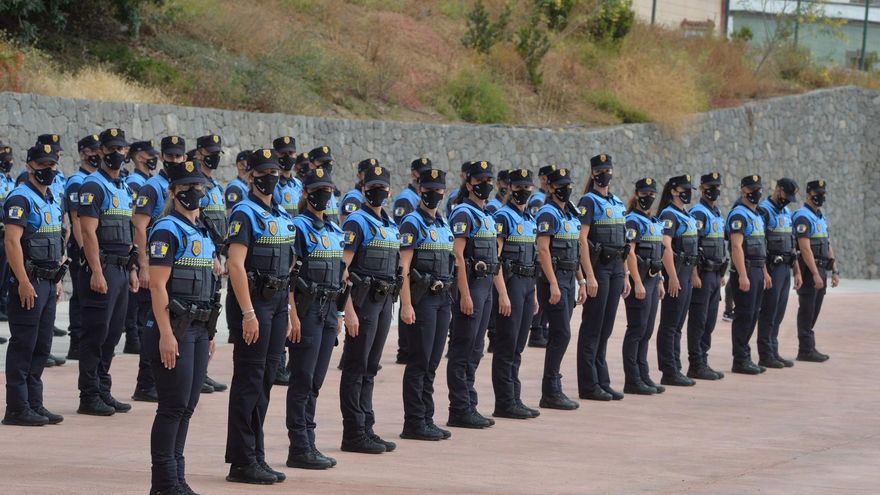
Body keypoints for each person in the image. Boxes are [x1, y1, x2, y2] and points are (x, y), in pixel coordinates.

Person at [145, 160, 218, 495]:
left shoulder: (203, 230)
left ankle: (177, 479)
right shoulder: (165, 230)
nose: (194, 193)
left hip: (199, 329)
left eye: (198, 187)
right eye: (186, 188)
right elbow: (158, 287)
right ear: (172, 192)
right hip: (174, 329)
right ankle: (163, 482)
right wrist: (166, 334)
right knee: (173, 406)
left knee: (187, 406)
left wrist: (211, 334)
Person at [224, 149, 294, 484]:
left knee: (266, 381)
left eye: (276, 172)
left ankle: (257, 455)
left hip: (278, 303)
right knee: (249, 382)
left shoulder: (280, 214)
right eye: (265, 172)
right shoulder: (244, 212)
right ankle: (241, 460)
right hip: (256, 305)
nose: (272, 178)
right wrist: (248, 313)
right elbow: (235, 265)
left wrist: (290, 310)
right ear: (251, 176)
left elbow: (290, 267)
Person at [76, 127, 139, 416]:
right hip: (102, 270)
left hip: (121, 269)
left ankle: (103, 388)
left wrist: (134, 269)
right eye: (111, 149)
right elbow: (88, 233)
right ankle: (89, 395)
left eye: (121, 149)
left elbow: (129, 233)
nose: (117, 154)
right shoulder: (92, 185)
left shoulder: (123, 187)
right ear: (100, 152)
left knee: (113, 333)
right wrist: (96, 271)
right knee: (95, 334)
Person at [2, 143, 65, 426]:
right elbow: (12, 242)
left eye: (51, 165)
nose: (47, 170)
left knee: (41, 345)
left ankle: (34, 403)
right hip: (29, 283)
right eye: (42, 166)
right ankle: (16, 407)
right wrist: (24, 282)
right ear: (29, 167)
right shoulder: (20, 198)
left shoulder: (50, 197)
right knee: (23, 345)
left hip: (48, 283)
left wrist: (57, 281)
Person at [287, 167, 345, 470]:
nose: (325, 194)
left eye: (328, 189)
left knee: (316, 382)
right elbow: (289, 276)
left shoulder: (334, 230)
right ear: (306, 193)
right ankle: (299, 446)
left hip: (327, 313)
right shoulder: (298, 227)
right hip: (306, 312)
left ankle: (309, 441)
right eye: (318, 189)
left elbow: (341, 278)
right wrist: (292, 315)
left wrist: (339, 314)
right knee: (302, 380)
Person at [339, 164, 400, 454]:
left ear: (389, 191)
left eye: (383, 187)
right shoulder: (356, 221)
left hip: (383, 302)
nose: (378, 191)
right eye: (372, 186)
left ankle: (367, 427)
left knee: (370, 368)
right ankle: (353, 433)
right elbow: (342, 270)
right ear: (363, 188)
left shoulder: (390, 224)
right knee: (356, 367)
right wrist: (347, 310)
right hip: (362, 304)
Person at [447, 160, 505, 429]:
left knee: (477, 349)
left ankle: (469, 403)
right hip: (470, 287)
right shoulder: (463, 213)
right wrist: (465, 294)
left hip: (485, 289)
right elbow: (457, 256)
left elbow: (494, 259)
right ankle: (459, 408)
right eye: (480, 181)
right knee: (463, 349)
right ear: (468, 183)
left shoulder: (488, 215)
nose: (486, 185)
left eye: (489, 180)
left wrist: (501, 294)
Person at [398, 168, 454, 441]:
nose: (434, 195)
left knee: (432, 362)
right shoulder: (412, 222)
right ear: (420, 191)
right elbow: (404, 268)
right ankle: (414, 421)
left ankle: (427, 418)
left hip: (442, 299)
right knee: (419, 361)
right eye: (429, 190)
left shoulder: (443, 223)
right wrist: (406, 305)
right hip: (422, 301)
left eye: (439, 191)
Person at [131, 137, 185, 403]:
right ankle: (145, 383)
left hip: (177, 267)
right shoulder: (153, 187)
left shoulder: (182, 186)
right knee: (151, 323)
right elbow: (140, 226)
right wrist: (143, 264)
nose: (174, 160)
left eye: (179, 156)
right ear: (162, 157)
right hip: (157, 264)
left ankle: (168, 375)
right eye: (170, 156)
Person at [576, 153, 631, 401]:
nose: (603, 174)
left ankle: (602, 380)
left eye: (607, 169)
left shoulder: (618, 202)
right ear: (592, 174)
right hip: (599, 269)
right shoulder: (588, 201)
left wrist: (628, 275)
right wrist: (589, 275)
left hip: (618, 268)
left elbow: (625, 242)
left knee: (606, 328)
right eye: (598, 171)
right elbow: (582, 240)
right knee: (593, 328)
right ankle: (589, 385)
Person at [491, 168, 540, 419]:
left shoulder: (530, 218)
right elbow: (495, 259)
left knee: (519, 345)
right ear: (509, 188)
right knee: (507, 345)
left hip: (527, 285)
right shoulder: (503, 217)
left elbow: (533, 257)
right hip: (510, 286)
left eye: (527, 188)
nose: (523, 192)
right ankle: (505, 401)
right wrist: (502, 294)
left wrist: (534, 295)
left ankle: (515, 397)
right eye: (518, 187)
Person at [534, 167, 583, 410]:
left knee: (561, 334)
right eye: (561, 185)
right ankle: (550, 390)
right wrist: (553, 283)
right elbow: (543, 249)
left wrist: (581, 280)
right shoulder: (548, 213)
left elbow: (575, 250)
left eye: (569, 184)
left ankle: (553, 388)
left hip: (568, 278)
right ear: (551, 188)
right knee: (561, 333)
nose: (566, 189)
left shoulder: (570, 213)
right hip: (553, 280)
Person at [621, 178, 666, 395]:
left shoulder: (654, 221)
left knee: (647, 330)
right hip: (639, 280)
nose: (648, 197)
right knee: (637, 328)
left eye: (652, 194)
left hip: (652, 280)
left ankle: (643, 374)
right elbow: (629, 252)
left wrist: (659, 281)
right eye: (644, 193)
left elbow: (657, 254)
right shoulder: (632, 220)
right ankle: (632, 378)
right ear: (637, 194)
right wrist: (636, 281)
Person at [61, 135, 102, 359]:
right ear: (82, 153)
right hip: (82, 246)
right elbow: (77, 220)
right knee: (79, 295)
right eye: (92, 151)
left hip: (92, 246)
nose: (96, 155)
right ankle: (76, 341)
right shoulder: (78, 180)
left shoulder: (96, 180)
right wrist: (85, 250)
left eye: (99, 150)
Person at [656, 175, 699, 386]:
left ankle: (676, 367)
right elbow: (665, 246)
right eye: (684, 189)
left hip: (686, 271)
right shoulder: (669, 215)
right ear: (673, 191)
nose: (688, 192)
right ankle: (669, 370)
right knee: (670, 324)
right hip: (677, 272)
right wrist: (672, 276)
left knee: (678, 324)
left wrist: (693, 274)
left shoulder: (686, 215)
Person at [685, 173, 728, 381]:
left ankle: (703, 359)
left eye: (717, 187)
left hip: (715, 274)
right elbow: (694, 246)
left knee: (709, 321)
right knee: (699, 321)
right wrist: (694, 274)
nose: (715, 190)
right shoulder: (698, 213)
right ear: (702, 188)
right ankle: (696, 363)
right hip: (702, 275)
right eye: (711, 186)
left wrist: (721, 274)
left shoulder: (717, 213)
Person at [757, 178, 801, 368]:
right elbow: (759, 244)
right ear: (778, 189)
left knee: (779, 311)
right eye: (785, 195)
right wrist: (764, 271)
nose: (787, 200)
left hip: (785, 269)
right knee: (768, 311)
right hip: (772, 267)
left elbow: (792, 244)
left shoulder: (786, 212)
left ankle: (774, 350)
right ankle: (765, 354)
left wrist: (797, 271)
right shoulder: (764, 210)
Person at [727, 174, 769, 375]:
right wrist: (743, 275)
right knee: (744, 315)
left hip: (757, 268)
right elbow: (736, 246)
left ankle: (746, 356)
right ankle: (740, 360)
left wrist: (765, 272)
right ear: (743, 191)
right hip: (746, 270)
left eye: (758, 189)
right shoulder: (739, 214)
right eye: (751, 190)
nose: (756, 193)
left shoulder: (757, 215)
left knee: (753, 314)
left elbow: (761, 247)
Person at [793, 179, 838, 362]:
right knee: (807, 309)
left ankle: (809, 346)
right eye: (817, 194)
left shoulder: (820, 216)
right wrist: (814, 273)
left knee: (815, 309)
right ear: (808, 194)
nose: (820, 197)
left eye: (822, 194)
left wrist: (834, 270)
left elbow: (827, 244)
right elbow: (804, 248)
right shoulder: (802, 216)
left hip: (821, 269)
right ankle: (805, 349)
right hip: (809, 270)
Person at [122, 140, 158, 357]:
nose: (151, 158)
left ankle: (136, 335)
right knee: (136, 298)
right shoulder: (136, 182)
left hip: (146, 245)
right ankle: (133, 337)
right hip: (138, 244)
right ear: (137, 156)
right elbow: (136, 221)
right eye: (147, 155)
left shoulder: (147, 181)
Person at [527, 164, 555, 348]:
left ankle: (542, 329)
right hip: (538, 251)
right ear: (542, 179)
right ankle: (536, 331)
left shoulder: (548, 199)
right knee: (541, 293)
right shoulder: (538, 200)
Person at [0, 143, 18, 334]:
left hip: (5, 234)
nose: (9, 163)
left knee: (4, 277)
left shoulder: (9, 181)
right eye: (5, 160)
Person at [307, 146, 340, 224]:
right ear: (311, 165)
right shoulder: (305, 187)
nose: (326, 165)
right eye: (321, 161)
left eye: (328, 162)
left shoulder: (332, 187)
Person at [393, 158, 431, 224]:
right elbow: (402, 226)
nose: (426, 176)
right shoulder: (404, 199)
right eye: (422, 173)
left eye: (428, 174)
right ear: (413, 175)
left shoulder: (427, 196)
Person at [273, 136, 303, 218]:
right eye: (283, 153)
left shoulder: (299, 184)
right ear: (276, 156)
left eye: (291, 153)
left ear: (296, 155)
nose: (287, 157)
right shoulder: (272, 184)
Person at [340, 158, 374, 223]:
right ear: (358, 176)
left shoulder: (372, 198)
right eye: (367, 173)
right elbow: (349, 226)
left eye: (373, 173)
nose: (371, 176)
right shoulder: (353, 199)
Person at [225, 150, 251, 214]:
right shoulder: (234, 188)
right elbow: (231, 214)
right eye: (250, 161)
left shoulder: (248, 185)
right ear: (240, 165)